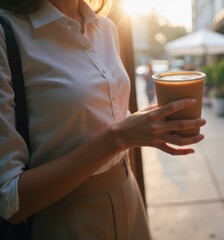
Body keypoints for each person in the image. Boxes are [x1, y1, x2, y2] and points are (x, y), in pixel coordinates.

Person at [0, 1, 206, 239]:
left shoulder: (105, 27)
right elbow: (9, 201)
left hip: (129, 194)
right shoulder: (8, 32)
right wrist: (120, 137)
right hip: (65, 218)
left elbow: (99, 117)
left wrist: (143, 124)